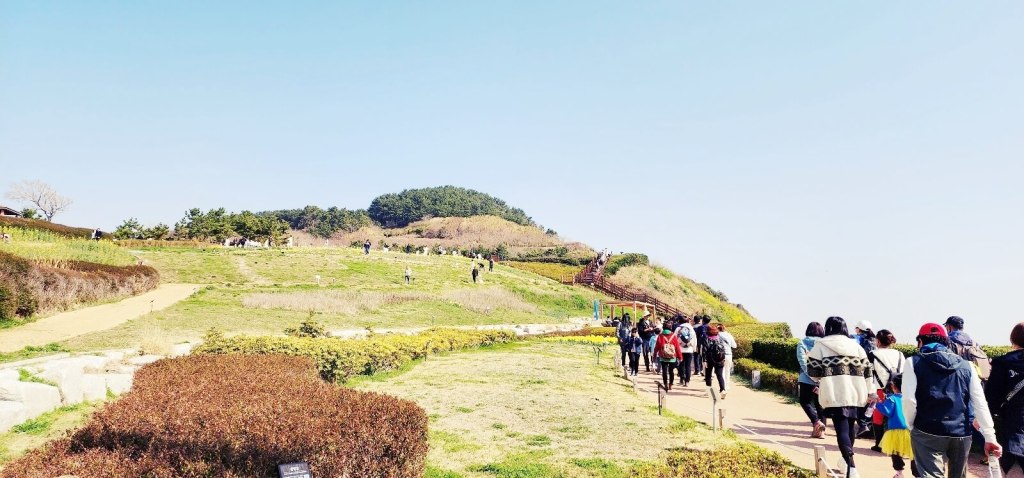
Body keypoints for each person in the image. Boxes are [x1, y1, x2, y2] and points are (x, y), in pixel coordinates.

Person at [902, 322, 1000, 478]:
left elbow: (909, 400)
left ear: (920, 341)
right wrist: (990, 437)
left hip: (926, 429)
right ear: (946, 342)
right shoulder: (967, 365)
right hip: (961, 432)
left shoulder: (913, 362)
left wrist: (911, 425)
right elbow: (980, 402)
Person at [807, 316, 873, 478]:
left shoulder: (821, 345)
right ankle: (845, 461)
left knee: (842, 430)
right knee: (850, 428)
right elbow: (868, 371)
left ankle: (852, 468)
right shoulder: (856, 346)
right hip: (855, 392)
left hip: (834, 392)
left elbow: (813, 372)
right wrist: (869, 391)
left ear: (828, 328)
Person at [984, 322, 1024, 474]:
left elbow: (993, 395)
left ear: (1013, 339)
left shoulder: (1003, 362)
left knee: (1011, 463)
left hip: (1013, 423)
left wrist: (986, 415)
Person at [869, 329, 906, 453]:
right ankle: (900, 446)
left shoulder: (872, 354)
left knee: (878, 417)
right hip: (898, 390)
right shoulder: (900, 354)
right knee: (900, 417)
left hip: (880, 389)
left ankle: (879, 444)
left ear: (878, 341)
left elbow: (869, 373)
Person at [876, 374, 916, 478]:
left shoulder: (892, 399)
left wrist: (878, 404)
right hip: (910, 430)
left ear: (893, 386)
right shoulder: (912, 399)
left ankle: (899, 473)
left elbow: (887, 411)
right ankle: (918, 474)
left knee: (895, 452)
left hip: (894, 431)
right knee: (914, 453)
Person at [798, 321, 828, 439]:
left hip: (806, 379)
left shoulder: (802, 343)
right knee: (820, 405)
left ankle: (816, 422)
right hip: (822, 380)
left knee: (804, 401)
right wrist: (821, 378)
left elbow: (802, 361)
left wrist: (811, 376)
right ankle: (821, 432)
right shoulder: (824, 344)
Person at [652, 324, 682, 390]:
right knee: (671, 371)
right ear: (670, 328)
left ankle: (665, 384)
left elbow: (657, 347)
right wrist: (680, 357)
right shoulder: (673, 336)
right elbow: (677, 347)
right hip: (672, 357)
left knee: (664, 371)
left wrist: (654, 356)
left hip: (663, 356)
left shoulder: (660, 336)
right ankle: (670, 384)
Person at [704, 325, 728, 398]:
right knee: (719, 375)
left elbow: (704, 350)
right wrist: (723, 358)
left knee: (708, 375)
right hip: (720, 359)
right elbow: (724, 349)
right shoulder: (720, 338)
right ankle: (723, 390)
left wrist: (704, 360)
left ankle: (709, 391)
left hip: (709, 359)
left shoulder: (706, 338)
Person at [676, 316, 697, 387]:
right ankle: (687, 381)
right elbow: (694, 339)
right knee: (688, 365)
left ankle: (682, 379)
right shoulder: (691, 328)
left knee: (681, 364)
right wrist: (694, 348)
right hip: (689, 349)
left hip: (680, 349)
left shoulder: (678, 328)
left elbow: (675, 338)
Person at [717, 324, 737, 390]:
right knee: (727, 371)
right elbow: (734, 346)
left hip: (720, 355)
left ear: (718, 329)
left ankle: (722, 386)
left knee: (721, 371)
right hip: (728, 355)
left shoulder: (717, 335)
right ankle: (727, 385)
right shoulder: (729, 335)